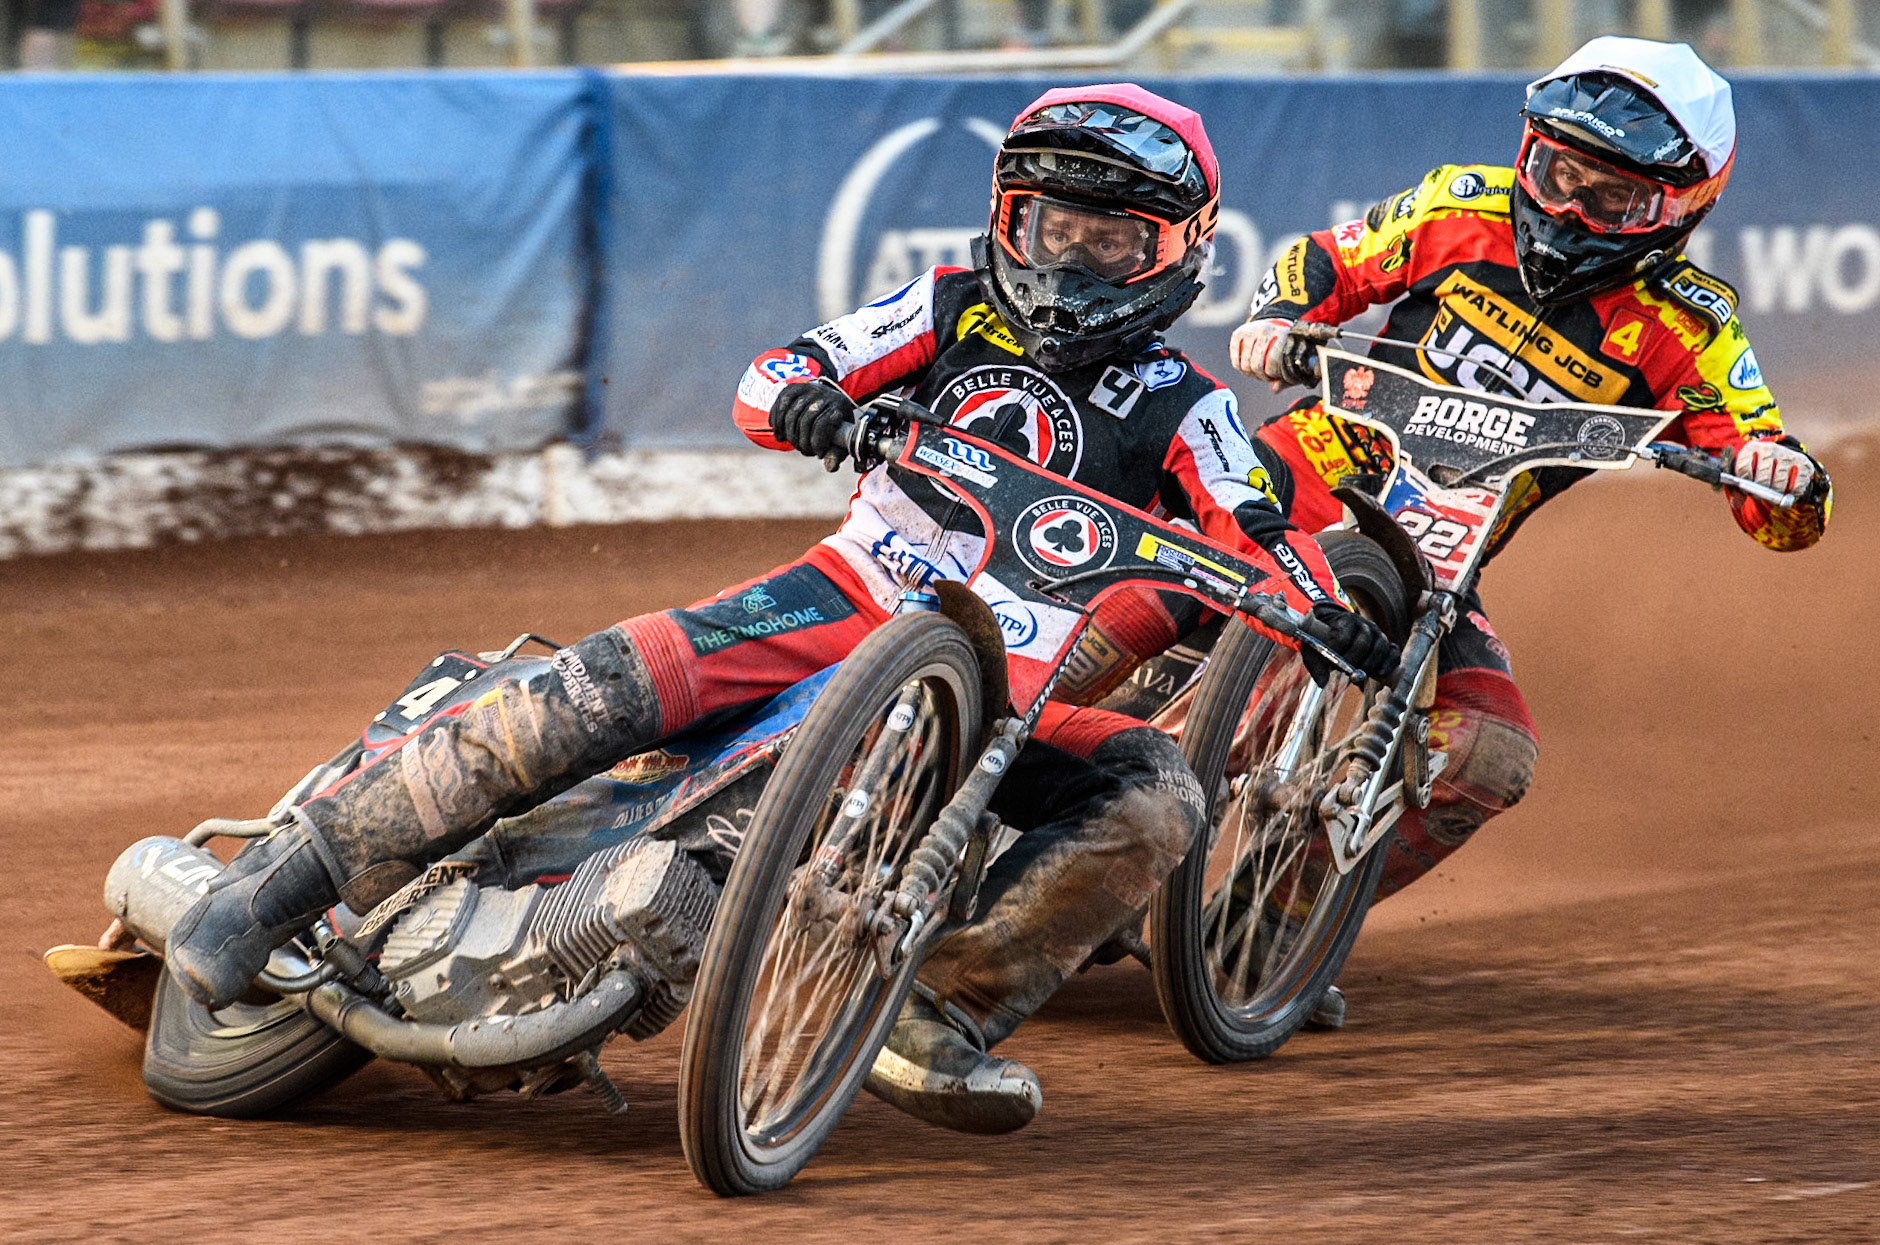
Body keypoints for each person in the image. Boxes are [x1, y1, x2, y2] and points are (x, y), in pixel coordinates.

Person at [166, 84, 1394, 1134]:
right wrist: (811, 405)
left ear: (1178, 251)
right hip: (838, 592)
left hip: (1005, 692)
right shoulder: (945, 302)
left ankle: (936, 1009)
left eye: (1107, 241)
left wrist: (1322, 613)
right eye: (1046, 225)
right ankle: (270, 889)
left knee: (1161, 791)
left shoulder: (1186, 405)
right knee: (597, 682)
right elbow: (775, 372)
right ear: (1004, 218)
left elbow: (1260, 527)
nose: (1067, 262)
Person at [1229, 36, 1832, 1014]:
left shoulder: (1690, 327)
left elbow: (1779, 508)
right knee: (1175, 587)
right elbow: (1322, 261)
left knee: (1486, 750)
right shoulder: (1456, 206)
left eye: (1608, 199)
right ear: (1527, 149)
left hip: (1436, 560)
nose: (1564, 211)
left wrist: (1780, 476)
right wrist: (1279, 315)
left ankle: (1268, 925)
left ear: (1680, 207)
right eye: (1555, 174)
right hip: (1306, 471)